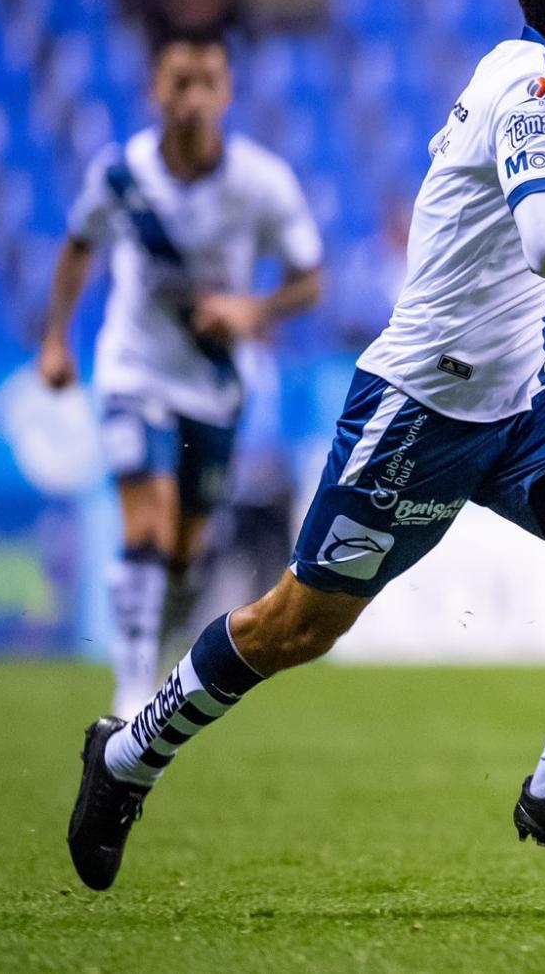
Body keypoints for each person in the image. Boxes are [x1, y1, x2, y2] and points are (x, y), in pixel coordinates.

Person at [64, 0, 545, 892]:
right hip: (418, 410)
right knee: (294, 626)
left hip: (513, 405)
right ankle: (126, 753)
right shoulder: (540, 93)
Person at [38, 38, 325, 719]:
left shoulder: (261, 182)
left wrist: (252, 308)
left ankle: (152, 642)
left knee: (187, 551)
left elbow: (310, 278)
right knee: (150, 519)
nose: (193, 97)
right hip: (133, 373)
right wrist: (54, 338)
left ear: (227, 95)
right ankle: (133, 683)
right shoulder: (123, 178)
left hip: (216, 388)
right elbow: (78, 244)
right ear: (155, 93)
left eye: (207, 83)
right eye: (180, 83)